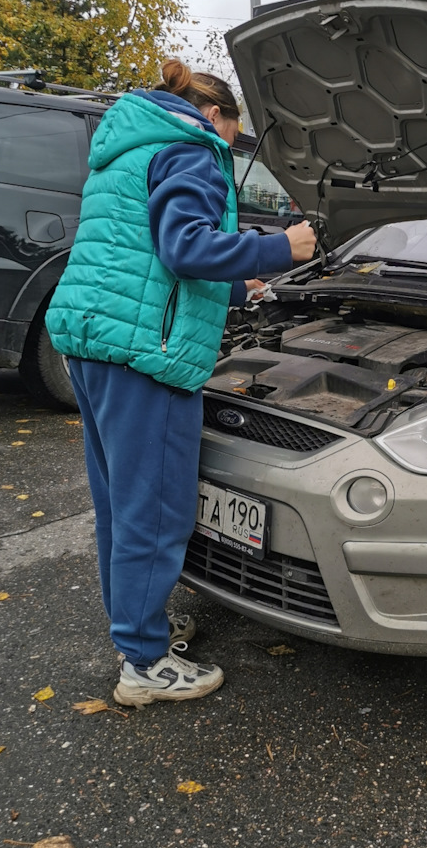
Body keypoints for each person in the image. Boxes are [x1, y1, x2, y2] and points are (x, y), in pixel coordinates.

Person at [46, 59, 317, 707]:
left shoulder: (132, 143)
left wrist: (236, 284)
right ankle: (143, 665)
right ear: (215, 117)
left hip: (97, 341)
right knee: (155, 512)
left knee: (121, 504)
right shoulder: (192, 147)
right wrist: (281, 247)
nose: (228, 148)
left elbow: (149, 251)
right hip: (146, 355)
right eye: (232, 133)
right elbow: (184, 247)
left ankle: (139, 630)